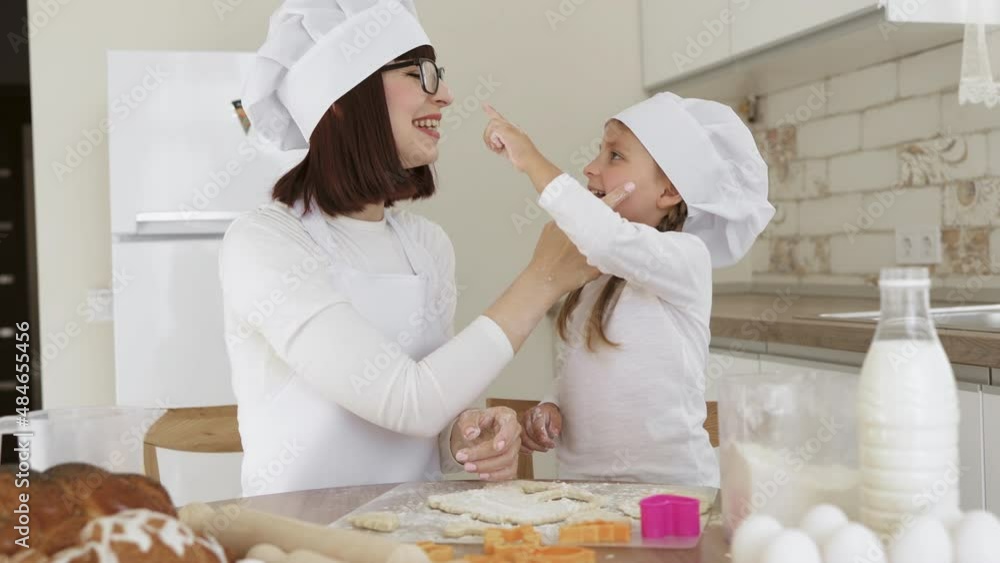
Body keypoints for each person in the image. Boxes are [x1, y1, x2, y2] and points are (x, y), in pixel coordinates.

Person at [219, 0, 632, 496]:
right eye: (422, 74)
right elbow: (407, 401)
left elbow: (427, 416)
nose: (448, 95)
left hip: (409, 537)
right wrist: (543, 279)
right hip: (296, 543)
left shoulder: (425, 245)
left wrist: (465, 434)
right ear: (346, 96)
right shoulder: (264, 243)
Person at [481, 94, 774, 486]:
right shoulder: (595, 273)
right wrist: (553, 405)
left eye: (614, 156)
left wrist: (532, 159)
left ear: (669, 189)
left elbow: (607, 238)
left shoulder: (686, 258)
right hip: (583, 490)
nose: (591, 168)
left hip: (674, 493)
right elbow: (584, 366)